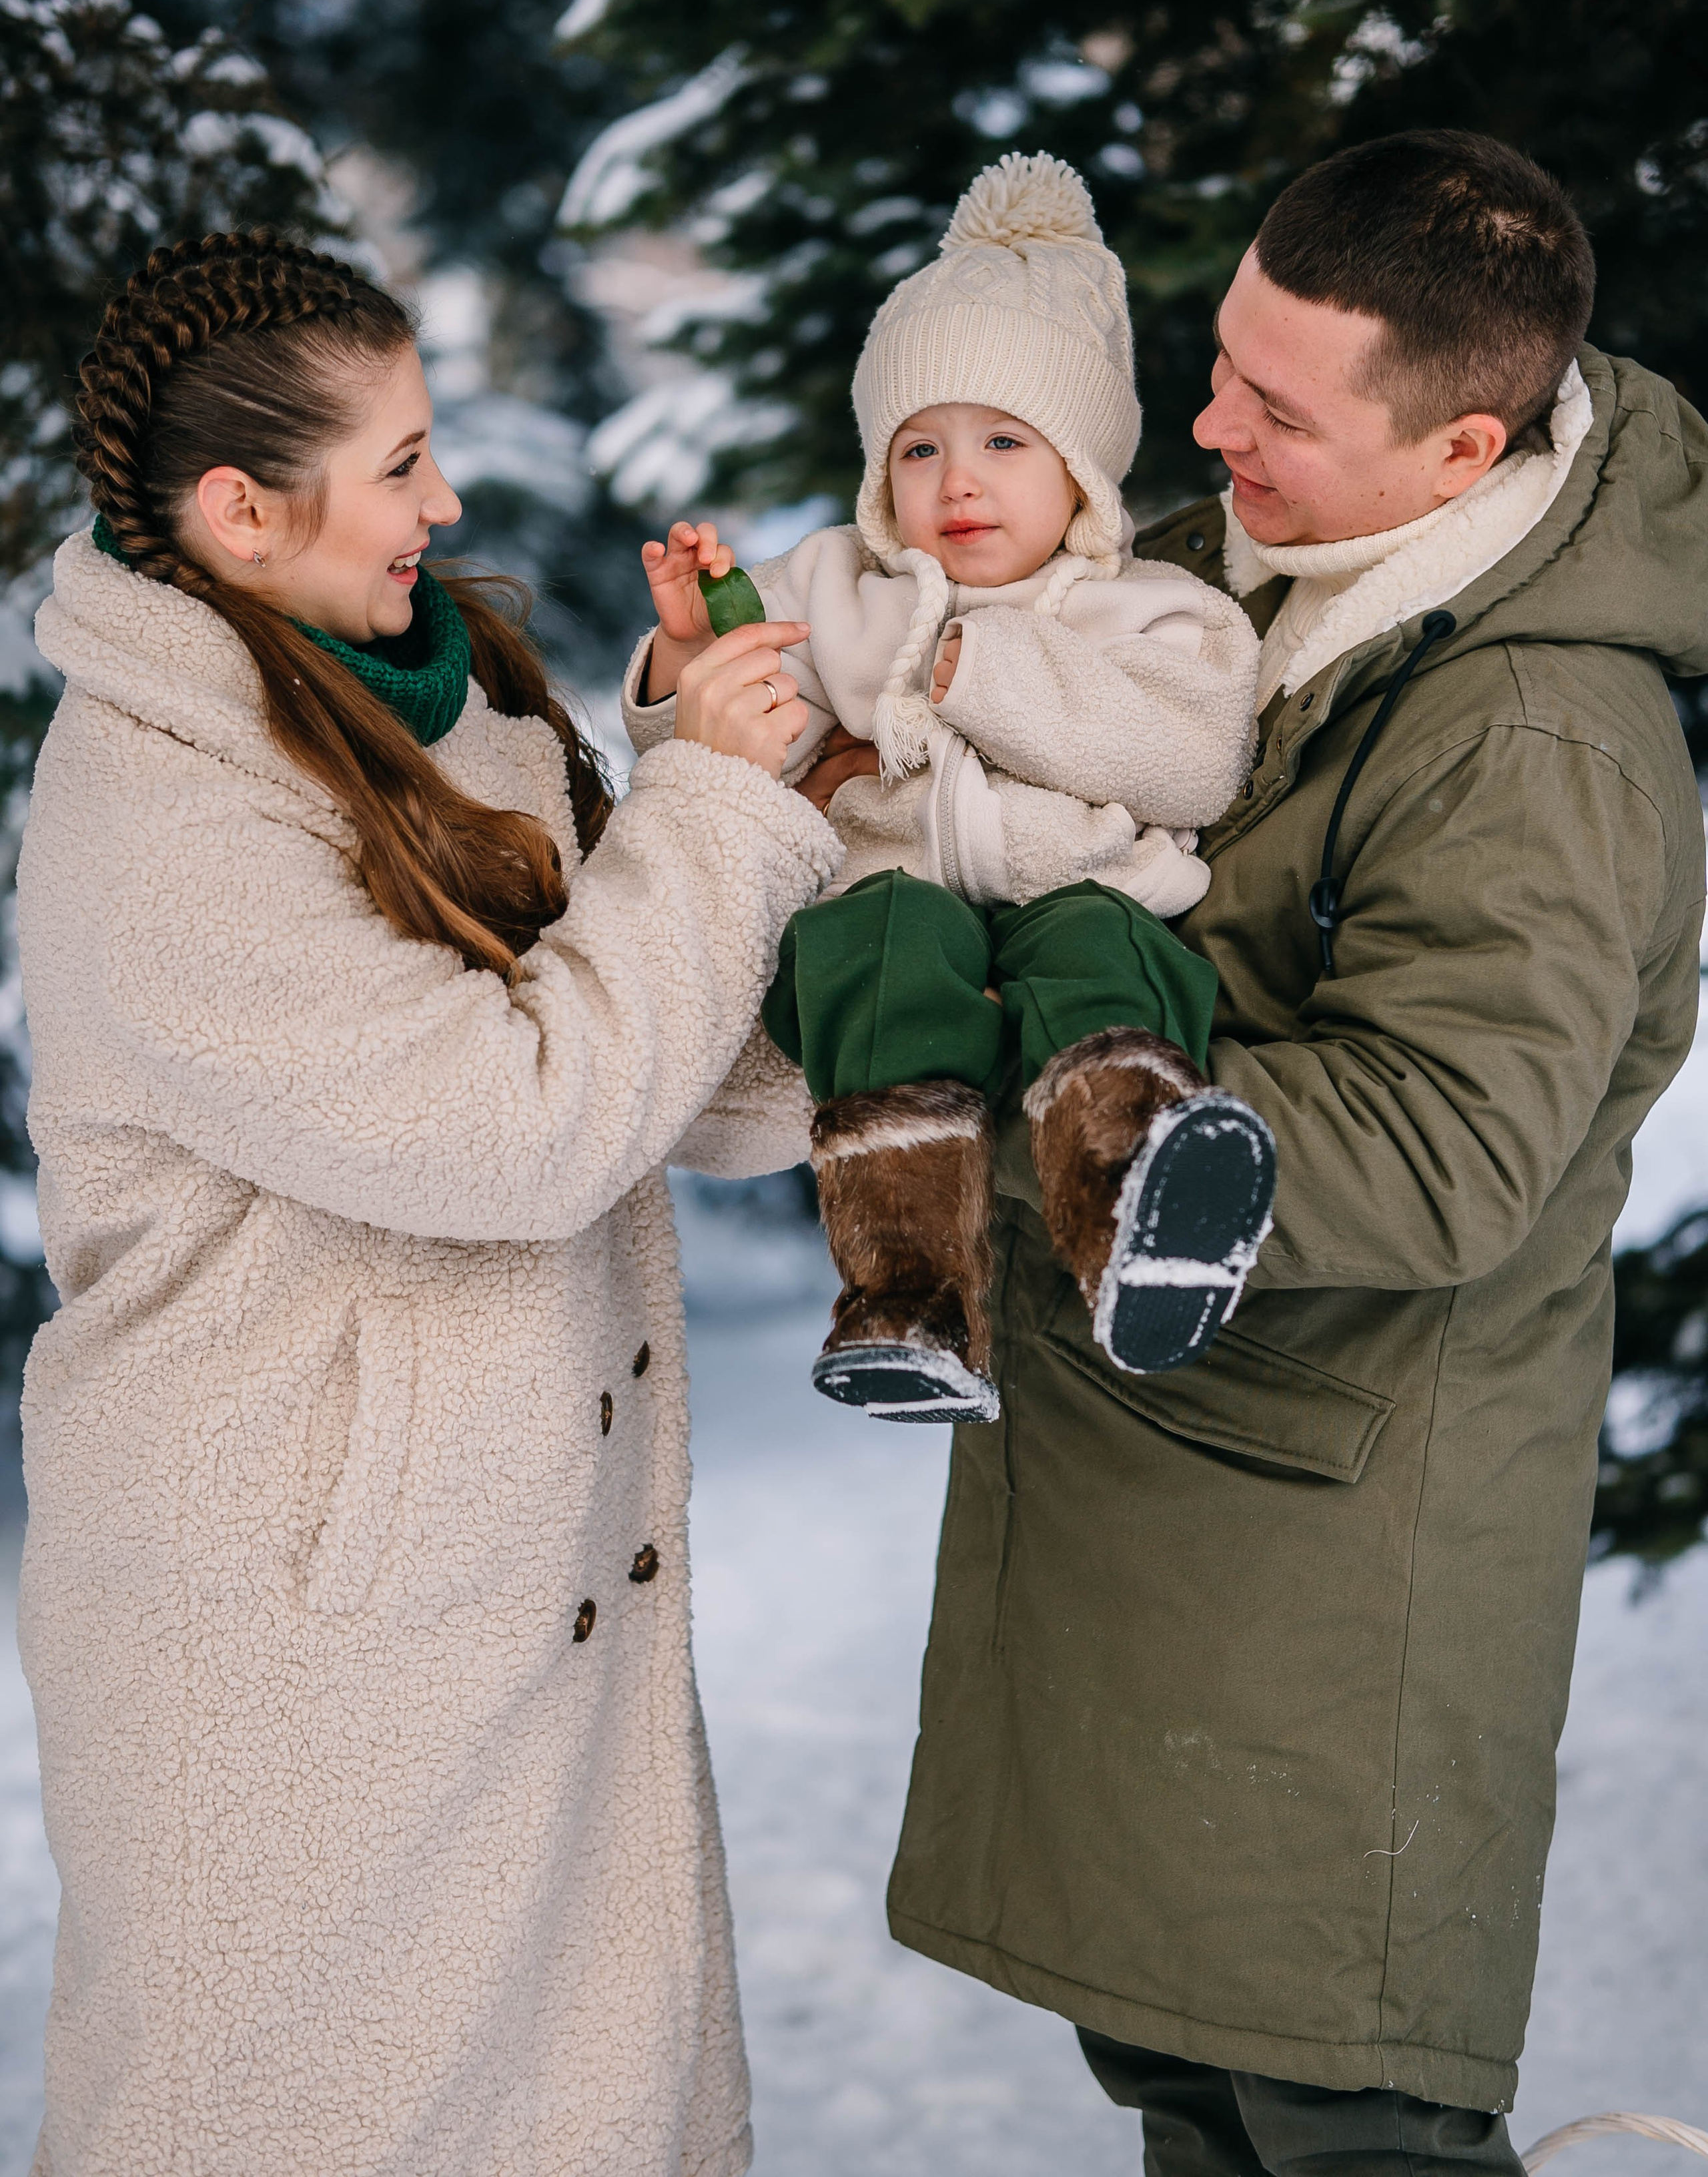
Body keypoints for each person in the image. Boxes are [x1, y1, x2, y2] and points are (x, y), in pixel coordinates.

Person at [883, 132, 1708, 2171]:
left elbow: (1442, 1150)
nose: (1207, 426)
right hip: (1173, 1497)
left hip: (1337, 1560)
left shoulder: (1532, 737)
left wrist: (985, 1105)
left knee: (1344, 2114)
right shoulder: (1225, 566)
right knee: (1194, 2091)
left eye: (1277, 406)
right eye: (1222, 366)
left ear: (1462, 450)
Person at [15, 229, 841, 2177]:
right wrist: (714, 815)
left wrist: (776, 802)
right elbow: (519, 1131)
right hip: (293, 1639)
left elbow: (690, 1086)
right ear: (241, 511)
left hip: (523, 1587)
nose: (444, 501)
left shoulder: (453, 699)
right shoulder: (161, 813)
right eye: (397, 463)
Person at [624, 153, 1271, 1428]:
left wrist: (983, 672)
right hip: (893, 893)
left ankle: (1142, 1206)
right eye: (918, 448)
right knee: (872, 946)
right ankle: (908, 1292)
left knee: (1103, 953)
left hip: (1076, 886)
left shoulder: (1155, 610)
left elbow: (1193, 757)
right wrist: (692, 656)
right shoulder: (836, 587)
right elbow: (739, 747)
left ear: (1082, 468)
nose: (957, 481)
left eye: (1003, 442)